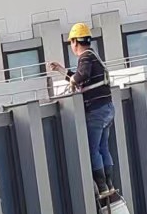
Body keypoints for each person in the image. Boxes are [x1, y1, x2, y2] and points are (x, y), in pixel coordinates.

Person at [49, 22, 115, 196]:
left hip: (96, 110)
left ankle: (102, 187)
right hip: (107, 108)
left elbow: (82, 75)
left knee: (93, 149)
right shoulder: (93, 56)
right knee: (103, 147)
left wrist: (72, 80)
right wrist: (62, 71)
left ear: (75, 42)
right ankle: (108, 183)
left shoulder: (85, 57)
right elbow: (82, 77)